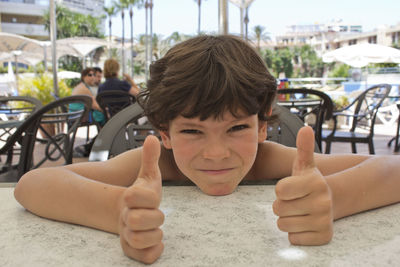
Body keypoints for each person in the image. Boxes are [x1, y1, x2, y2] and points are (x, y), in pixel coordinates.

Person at [14, 35, 400, 264]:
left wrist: (332, 200)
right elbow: (32, 185)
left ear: (262, 125)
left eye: (236, 128)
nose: (216, 153)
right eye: (193, 131)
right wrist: (117, 212)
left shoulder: (269, 160)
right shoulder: (157, 165)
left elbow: (393, 170)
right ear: (163, 132)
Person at [70, 68, 106, 156]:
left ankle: (101, 139)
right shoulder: (84, 89)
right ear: (83, 77)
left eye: (94, 75)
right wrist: (105, 111)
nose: (92, 77)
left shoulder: (82, 86)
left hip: (76, 114)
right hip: (81, 116)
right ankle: (104, 137)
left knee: (102, 115)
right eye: (89, 75)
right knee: (103, 116)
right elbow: (95, 106)